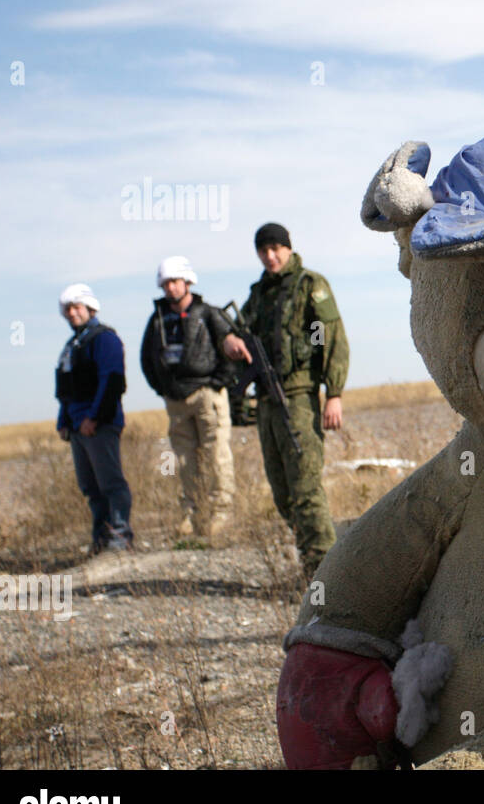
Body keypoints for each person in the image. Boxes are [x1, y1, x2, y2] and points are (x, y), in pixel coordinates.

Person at [222, 223, 348, 576]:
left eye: (276, 248)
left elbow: (329, 339)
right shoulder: (259, 293)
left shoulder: (311, 285)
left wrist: (333, 394)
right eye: (263, 250)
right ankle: (311, 555)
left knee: (306, 488)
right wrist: (229, 342)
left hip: (298, 398)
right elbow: (236, 331)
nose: (270, 255)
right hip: (266, 403)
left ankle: (325, 574)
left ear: (288, 248)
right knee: (281, 492)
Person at [139, 255, 237, 539]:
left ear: (187, 282)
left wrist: (217, 383)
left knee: (216, 453)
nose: (171, 288)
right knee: (184, 459)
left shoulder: (210, 313)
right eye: (166, 283)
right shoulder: (157, 320)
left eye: (175, 281)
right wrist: (163, 389)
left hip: (207, 394)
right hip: (175, 400)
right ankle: (191, 513)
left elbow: (232, 349)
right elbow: (147, 358)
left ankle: (221, 511)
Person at [55, 283, 134, 554]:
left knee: (110, 482)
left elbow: (111, 381)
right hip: (77, 428)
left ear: (89, 307)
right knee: (90, 486)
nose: (72, 313)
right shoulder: (71, 346)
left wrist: (94, 418)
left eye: (77, 307)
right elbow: (65, 391)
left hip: (100, 425)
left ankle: (121, 537)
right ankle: (100, 539)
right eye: (68, 309)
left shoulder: (105, 339)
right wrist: (64, 422)